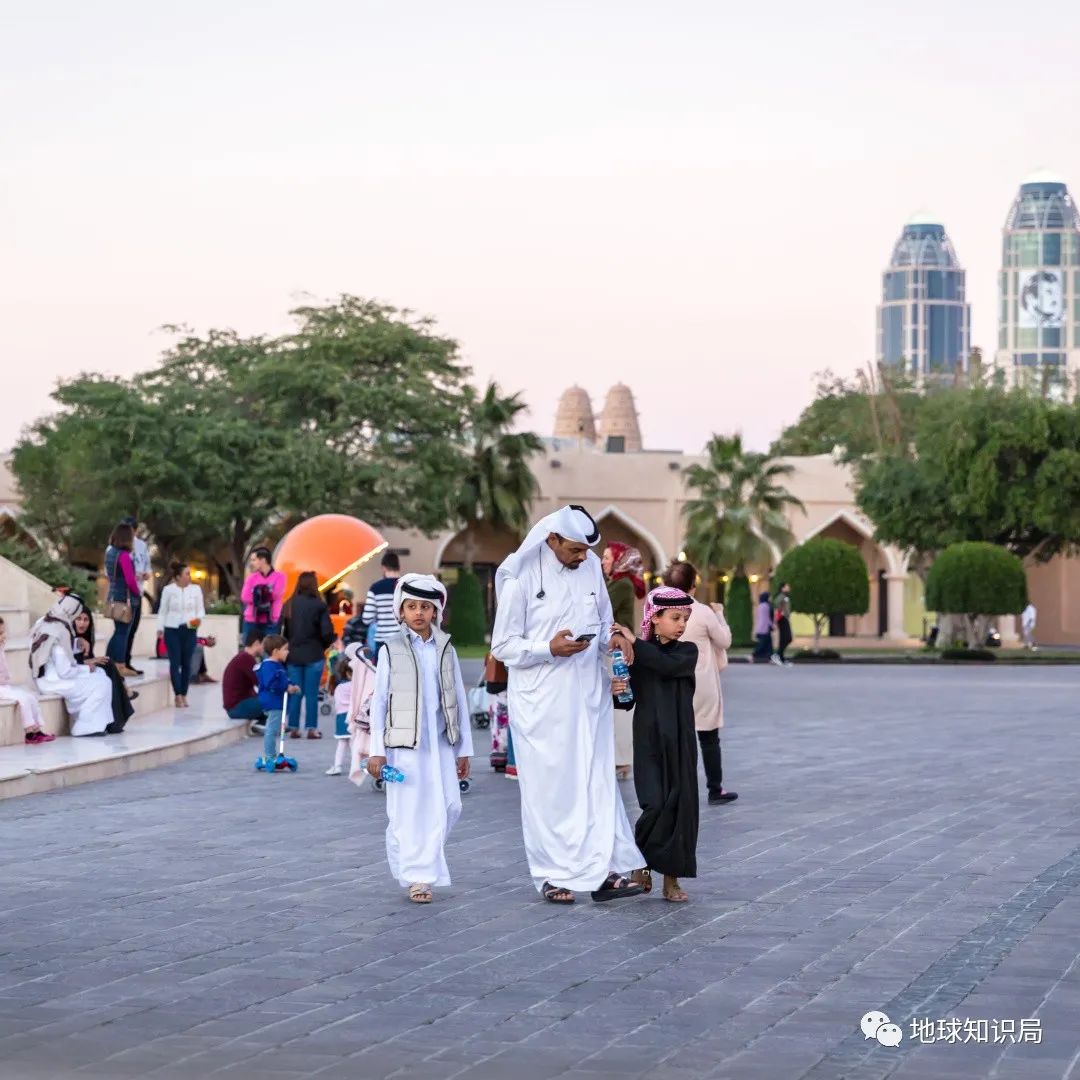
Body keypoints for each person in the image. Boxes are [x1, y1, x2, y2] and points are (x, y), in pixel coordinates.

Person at [491, 505, 645, 905]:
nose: (583, 557)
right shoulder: (521, 577)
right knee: (550, 792)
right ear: (552, 539)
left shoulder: (590, 566)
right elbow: (503, 646)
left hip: (589, 695)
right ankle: (550, 875)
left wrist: (615, 639)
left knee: (596, 784)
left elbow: (604, 621)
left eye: (587, 550)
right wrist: (548, 648)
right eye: (575, 549)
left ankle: (605, 872)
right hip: (542, 702)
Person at [365, 574, 474, 904]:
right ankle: (418, 877)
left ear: (435, 611)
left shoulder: (446, 649)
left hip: (440, 743)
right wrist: (376, 751)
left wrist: (464, 749)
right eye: (411, 606)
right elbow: (379, 702)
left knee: (450, 805)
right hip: (403, 747)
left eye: (425, 607)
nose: (418, 613)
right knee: (408, 810)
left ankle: (421, 863)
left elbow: (459, 699)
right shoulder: (391, 649)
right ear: (401, 611)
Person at [613, 585, 699, 903]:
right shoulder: (638, 657)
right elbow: (628, 701)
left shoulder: (687, 652)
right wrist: (619, 691)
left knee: (678, 809)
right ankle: (642, 865)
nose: (681, 625)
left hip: (680, 743)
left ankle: (671, 880)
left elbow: (667, 665)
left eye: (685, 619)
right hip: (649, 741)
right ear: (655, 618)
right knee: (655, 805)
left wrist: (634, 642)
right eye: (675, 618)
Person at [663, 561, 738, 805]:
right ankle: (715, 789)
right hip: (702, 683)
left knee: (676, 739)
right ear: (692, 586)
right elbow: (724, 641)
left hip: (672, 682)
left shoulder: (660, 612)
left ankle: (676, 791)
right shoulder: (703, 612)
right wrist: (720, 614)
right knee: (708, 737)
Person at [30, 593, 118, 736]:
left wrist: (77, 642)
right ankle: (84, 726)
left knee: (100, 673)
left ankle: (91, 723)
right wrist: (85, 668)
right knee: (103, 683)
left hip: (46, 678)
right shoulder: (60, 631)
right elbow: (65, 671)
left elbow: (54, 650)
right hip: (53, 681)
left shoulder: (45, 621)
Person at [601, 541, 646, 782]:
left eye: (607, 558)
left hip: (618, 651)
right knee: (616, 702)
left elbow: (600, 609)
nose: (603, 561)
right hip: (613, 649)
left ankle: (621, 759)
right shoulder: (616, 582)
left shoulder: (621, 584)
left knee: (621, 703)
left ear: (619, 561)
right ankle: (618, 758)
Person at [283, 571, 335, 739]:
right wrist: (323, 646)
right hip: (314, 654)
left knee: (296, 691)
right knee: (312, 693)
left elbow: (283, 633)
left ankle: (294, 727)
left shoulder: (289, 604)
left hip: (293, 655)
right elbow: (327, 632)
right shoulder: (319, 605)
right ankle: (312, 729)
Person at [72, 608, 136, 733]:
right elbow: (68, 662)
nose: (82, 623)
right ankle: (124, 693)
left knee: (107, 663)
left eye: (86, 620)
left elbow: (88, 657)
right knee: (107, 665)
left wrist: (91, 660)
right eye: (78, 619)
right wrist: (87, 662)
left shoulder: (87, 636)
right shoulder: (69, 636)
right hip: (75, 672)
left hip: (84, 669)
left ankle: (115, 721)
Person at [158, 562, 206, 708]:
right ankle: (177, 695)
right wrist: (160, 628)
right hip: (172, 630)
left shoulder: (196, 590)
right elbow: (163, 611)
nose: (189, 576)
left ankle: (184, 694)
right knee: (175, 662)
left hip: (189, 630)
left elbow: (200, 611)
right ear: (178, 577)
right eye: (187, 573)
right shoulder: (168, 590)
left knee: (187, 663)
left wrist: (194, 623)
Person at [0, 615, 54, 744]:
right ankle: (29, 733)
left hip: (4, 686)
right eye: (0, 634)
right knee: (23, 699)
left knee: (31, 696)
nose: (3, 636)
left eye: (3, 632)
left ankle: (38, 730)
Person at [255, 635, 299, 768]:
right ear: (275, 651)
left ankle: (274, 755)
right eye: (285, 649)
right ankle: (270, 755)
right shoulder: (268, 666)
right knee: (272, 730)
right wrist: (286, 687)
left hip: (278, 702)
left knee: (274, 729)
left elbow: (283, 679)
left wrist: (291, 685)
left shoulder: (277, 666)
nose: (288, 652)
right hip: (273, 702)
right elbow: (271, 683)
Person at [104, 522, 141, 676]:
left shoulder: (110, 552)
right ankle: (120, 665)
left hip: (113, 596)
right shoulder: (124, 556)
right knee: (122, 632)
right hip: (125, 598)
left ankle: (108, 662)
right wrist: (137, 593)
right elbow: (130, 580)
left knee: (118, 631)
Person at [120, 515, 151, 675]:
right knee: (123, 630)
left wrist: (146, 574)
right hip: (124, 594)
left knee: (132, 629)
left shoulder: (142, 545)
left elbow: (147, 566)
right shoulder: (117, 545)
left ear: (136, 530)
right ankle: (120, 662)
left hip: (137, 592)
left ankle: (127, 661)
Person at [345, 642, 378, 787]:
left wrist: (353, 714)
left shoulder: (361, 667)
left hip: (366, 708)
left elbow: (356, 694)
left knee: (364, 740)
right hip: (369, 708)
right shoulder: (365, 666)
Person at [222, 631, 266, 734]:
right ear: (256, 643)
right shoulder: (246, 658)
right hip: (236, 708)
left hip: (238, 705)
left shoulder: (244, 657)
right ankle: (265, 725)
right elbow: (260, 682)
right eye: (264, 645)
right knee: (274, 700)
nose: (265, 649)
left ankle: (263, 724)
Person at [362, 551, 403, 655]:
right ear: (399, 567)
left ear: (383, 568)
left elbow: (366, 619)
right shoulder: (405, 587)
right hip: (402, 640)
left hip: (382, 641)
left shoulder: (375, 588)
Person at [241, 547, 286, 641]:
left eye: (254, 560)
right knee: (249, 648)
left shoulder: (280, 577)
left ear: (263, 560)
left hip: (271, 620)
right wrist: (266, 591)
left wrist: (256, 592)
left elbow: (276, 594)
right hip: (251, 619)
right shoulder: (251, 578)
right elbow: (245, 597)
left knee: (270, 648)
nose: (252, 563)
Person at [326, 654, 354, 776]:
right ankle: (356, 766)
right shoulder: (357, 686)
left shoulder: (339, 688)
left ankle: (337, 766)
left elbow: (336, 704)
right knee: (354, 743)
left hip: (341, 717)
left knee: (342, 743)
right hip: (354, 717)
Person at [772, 582, 793, 667]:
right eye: (787, 586)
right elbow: (776, 605)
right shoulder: (781, 596)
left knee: (784, 638)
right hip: (782, 619)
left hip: (785, 619)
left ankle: (781, 657)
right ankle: (777, 655)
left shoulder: (785, 597)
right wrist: (781, 613)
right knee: (787, 638)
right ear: (782, 588)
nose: (789, 588)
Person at [753, 591, 774, 663]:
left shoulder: (760, 605)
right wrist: (772, 625)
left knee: (767, 643)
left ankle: (769, 657)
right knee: (763, 644)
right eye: (769, 597)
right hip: (765, 627)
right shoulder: (766, 606)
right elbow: (767, 617)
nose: (770, 598)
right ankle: (754, 655)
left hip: (761, 626)